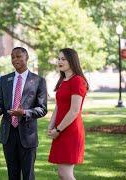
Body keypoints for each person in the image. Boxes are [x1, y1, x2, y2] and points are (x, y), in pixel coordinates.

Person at [0, 47, 47, 180]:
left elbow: (42, 108)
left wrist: (24, 113)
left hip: (28, 135)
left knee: (28, 175)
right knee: (12, 174)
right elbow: (0, 106)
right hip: (8, 134)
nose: (15, 59)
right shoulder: (4, 80)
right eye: (12, 57)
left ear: (26, 57)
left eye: (18, 56)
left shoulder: (38, 81)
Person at [48, 48, 88, 180]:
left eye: (63, 59)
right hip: (60, 130)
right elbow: (58, 106)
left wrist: (58, 129)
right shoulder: (63, 81)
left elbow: (74, 110)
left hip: (70, 131)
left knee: (66, 174)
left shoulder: (77, 81)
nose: (60, 61)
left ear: (72, 61)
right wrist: (51, 125)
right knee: (61, 174)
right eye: (58, 58)